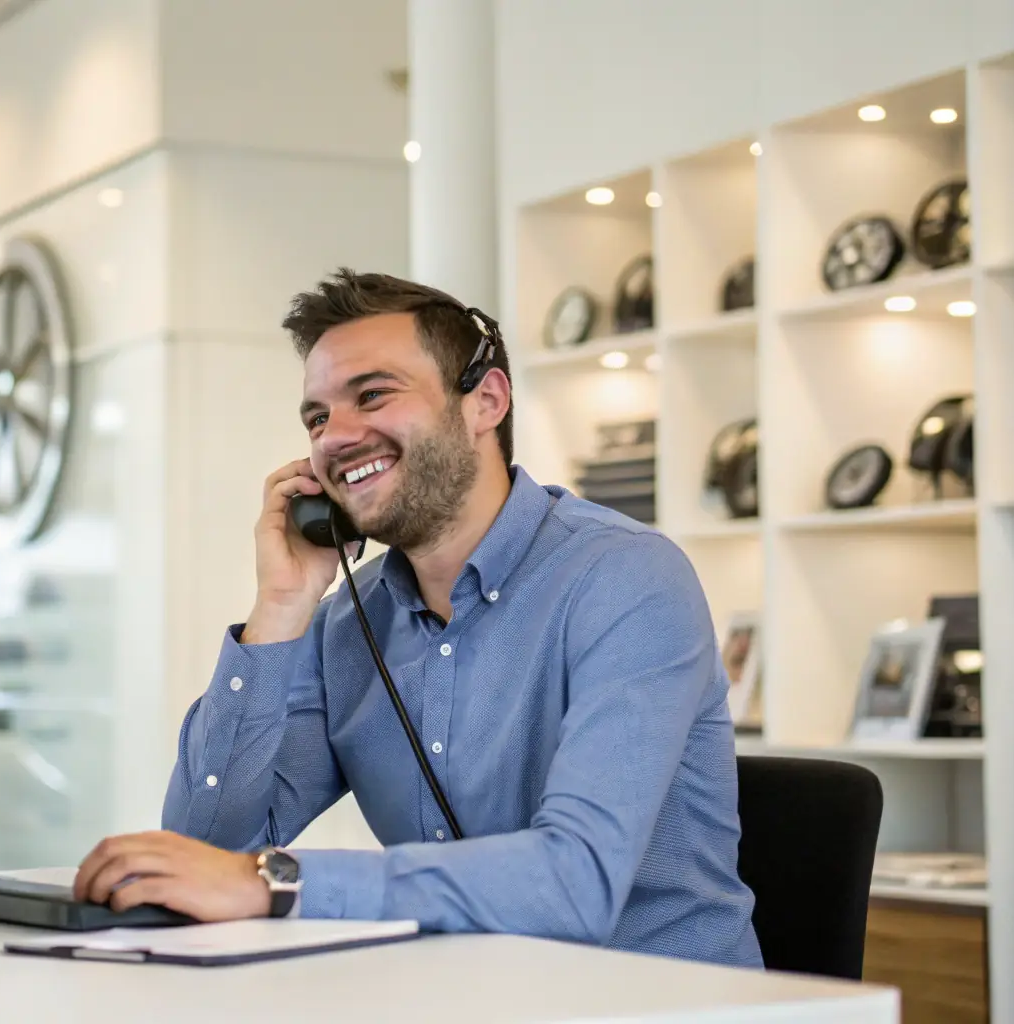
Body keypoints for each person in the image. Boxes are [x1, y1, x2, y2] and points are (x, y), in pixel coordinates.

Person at [73, 269, 763, 968]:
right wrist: (279, 607)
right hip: (458, 996)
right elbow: (206, 851)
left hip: (654, 1003)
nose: (335, 438)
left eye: (372, 395)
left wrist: (277, 883)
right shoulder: (348, 622)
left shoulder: (625, 580)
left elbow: (575, 882)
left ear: (485, 401)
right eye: (316, 418)